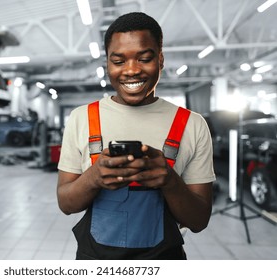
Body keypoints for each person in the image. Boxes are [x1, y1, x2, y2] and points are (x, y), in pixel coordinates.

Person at [56, 12, 215, 260]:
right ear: (107, 64)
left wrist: (169, 181)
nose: (131, 71)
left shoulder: (191, 125)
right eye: (118, 61)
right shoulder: (82, 118)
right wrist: (94, 177)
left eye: (144, 58)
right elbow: (66, 204)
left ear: (160, 60)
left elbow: (199, 220)